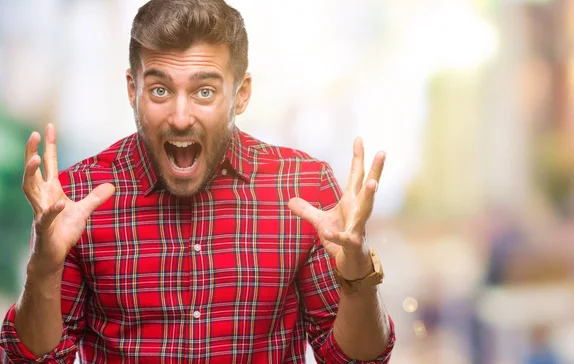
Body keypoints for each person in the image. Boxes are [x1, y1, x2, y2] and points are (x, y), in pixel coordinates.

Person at [0, 0, 395, 362]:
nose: (181, 116)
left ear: (241, 95)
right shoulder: (75, 200)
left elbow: (358, 360)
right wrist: (44, 267)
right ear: (132, 89)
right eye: (159, 90)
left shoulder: (306, 189)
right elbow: (32, 360)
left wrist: (357, 272)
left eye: (204, 91)